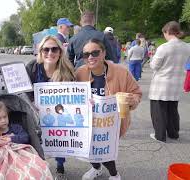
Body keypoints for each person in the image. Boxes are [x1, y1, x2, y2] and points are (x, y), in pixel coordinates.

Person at [76, 38, 142, 180]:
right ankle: (96, 168)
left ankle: (114, 174)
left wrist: (133, 100)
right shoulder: (79, 73)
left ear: (104, 53)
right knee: (89, 149)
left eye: (95, 52)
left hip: (110, 123)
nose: (90, 57)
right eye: (86, 54)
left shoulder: (121, 72)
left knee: (105, 150)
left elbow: (136, 92)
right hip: (87, 122)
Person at [26, 35, 75, 179]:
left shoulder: (67, 70)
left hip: (59, 113)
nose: (50, 53)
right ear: (40, 52)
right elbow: (23, 91)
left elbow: (75, 96)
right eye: (46, 49)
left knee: (59, 136)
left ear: (60, 52)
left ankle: (60, 165)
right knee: (35, 141)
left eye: (54, 49)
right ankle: (37, 167)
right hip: (35, 111)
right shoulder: (32, 67)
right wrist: (32, 102)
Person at [149, 21, 190, 142]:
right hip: (176, 82)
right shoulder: (187, 47)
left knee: (159, 111)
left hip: (162, 83)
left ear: (167, 32)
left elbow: (154, 66)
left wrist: (152, 59)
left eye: (164, 33)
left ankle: (160, 135)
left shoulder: (164, 47)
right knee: (172, 110)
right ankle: (173, 133)